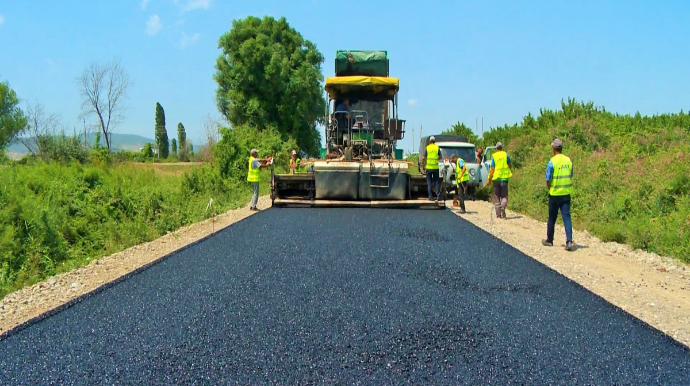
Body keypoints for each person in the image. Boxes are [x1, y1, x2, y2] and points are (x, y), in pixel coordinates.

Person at [542, 139, 574, 251]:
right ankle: (569, 241)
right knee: (567, 217)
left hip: (555, 193)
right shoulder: (568, 160)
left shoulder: (552, 162)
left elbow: (548, 179)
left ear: (553, 148)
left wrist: (549, 187)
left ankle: (549, 240)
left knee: (552, 218)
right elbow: (571, 174)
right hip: (566, 193)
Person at [482, 142, 512, 218]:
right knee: (504, 196)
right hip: (504, 178)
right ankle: (502, 207)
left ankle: (498, 214)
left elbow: (492, 169)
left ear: (496, 148)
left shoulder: (494, 156)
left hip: (496, 179)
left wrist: (489, 179)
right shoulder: (506, 155)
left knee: (496, 196)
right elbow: (509, 165)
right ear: (502, 147)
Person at [421, 136, 442, 201]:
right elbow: (440, 157)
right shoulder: (437, 147)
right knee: (436, 182)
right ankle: (438, 196)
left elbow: (423, 158)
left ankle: (430, 197)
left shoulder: (427, 148)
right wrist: (436, 159)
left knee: (429, 182)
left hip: (429, 168)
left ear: (430, 141)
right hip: (435, 167)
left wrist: (423, 166)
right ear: (434, 141)